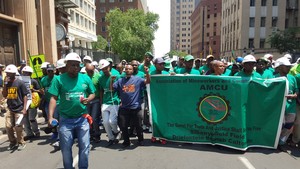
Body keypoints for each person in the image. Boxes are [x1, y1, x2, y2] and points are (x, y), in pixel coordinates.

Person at [48, 52, 96, 169]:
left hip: (82, 119)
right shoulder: (58, 80)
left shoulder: (85, 78)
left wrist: (88, 99)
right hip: (65, 120)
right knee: (66, 149)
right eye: (72, 65)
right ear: (66, 65)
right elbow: (53, 98)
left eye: (77, 65)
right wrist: (50, 117)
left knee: (85, 146)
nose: (75, 68)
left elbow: (92, 93)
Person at [111, 64, 150, 147]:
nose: (128, 70)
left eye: (130, 69)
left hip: (135, 107)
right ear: (124, 70)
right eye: (127, 69)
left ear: (132, 71)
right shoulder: (120, 81)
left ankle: (140, 140)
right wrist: (111, 80)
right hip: (124, 107)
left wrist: (147, 73)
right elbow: (112, 89)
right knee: (123, 126)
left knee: (138, 125)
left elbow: (148, 82)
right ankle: (126, 141)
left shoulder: (138, 79)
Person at [2, 64, 29, 151]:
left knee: (18, 127)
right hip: (10, 108)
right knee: (8, 126)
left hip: (19, 108)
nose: (8, 74)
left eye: (9, 73)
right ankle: (12, 142)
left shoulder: (20, 83)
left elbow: (25, 95)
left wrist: (24, 108)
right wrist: (5, 84)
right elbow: (4, 95)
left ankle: (21, 142)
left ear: (14, 73)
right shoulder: (6, 82)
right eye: (7, 73)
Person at [275, 57, 298, 151]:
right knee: (279, 125)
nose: (288, 68)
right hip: (279, 107)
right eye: (286, 67)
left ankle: (281, 142)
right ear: (280, 67)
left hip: (291, 107)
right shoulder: (274, 78)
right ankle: (274, 142)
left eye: (289, 67)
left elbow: (297, 91)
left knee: (289, 126)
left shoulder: (292, 78)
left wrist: (295, 95)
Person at [98, 59, 121, 147]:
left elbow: (118, 89)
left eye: (105, 68)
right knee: (105, 122)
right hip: (105, 102)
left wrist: (120, 99)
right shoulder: (101, 78)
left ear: (109, 67)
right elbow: (100, 90)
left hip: (114, 101)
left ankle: (117, 131)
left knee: (112, 121)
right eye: (102, 69)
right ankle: (111, 138)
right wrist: (101, 101)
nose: (104, 70)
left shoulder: (116, 76)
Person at [22, 66, 41, 140]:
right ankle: (29, 134)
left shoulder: (34, 81)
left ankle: (36, 131)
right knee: (25, 119)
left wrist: (33, 90)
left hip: (32, 102)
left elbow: (40, 91)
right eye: (24, 73)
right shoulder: (21, 82)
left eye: (27, 73)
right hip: (24, 102)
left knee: (31, 118)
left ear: (30, 74)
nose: (25, 74)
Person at [85, 63, 102, 142]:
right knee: (88, 118)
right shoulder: (83, 77)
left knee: (94, 118)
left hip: (96, 100)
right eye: (88, 71)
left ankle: (97, 134)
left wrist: (101, 101)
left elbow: (101, 90)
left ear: (94, 69)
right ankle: (91, 134)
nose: (89, 73)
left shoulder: (98, 77)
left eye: (91, 71)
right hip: (86, 101)